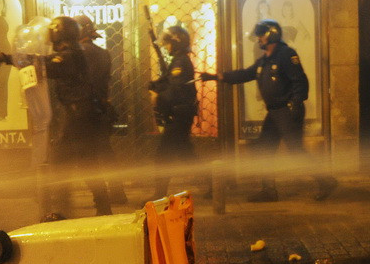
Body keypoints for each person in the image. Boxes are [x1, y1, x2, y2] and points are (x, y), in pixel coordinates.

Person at [0, 16, 112, 220]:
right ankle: (102, 207)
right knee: (87, 163)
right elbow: (43, 62)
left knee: (60, 163)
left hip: (78, 118)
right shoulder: (71, 53)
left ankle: (61, 211)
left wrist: (6, 58)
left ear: (58, 33)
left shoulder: (68, 56)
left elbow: (43, 64)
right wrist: (7, 59)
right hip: (82, 117)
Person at [200, 19, 337, 202]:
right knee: (264, 149)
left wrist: (296, 104)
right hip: (274, 113)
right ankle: (269, 191)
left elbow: (300, 81)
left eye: (261, 35)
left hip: (286, 111)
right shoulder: (264, 60)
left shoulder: (286, 54)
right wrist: (217, 76)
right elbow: (245, 74)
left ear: (272, 34)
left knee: (296, 150)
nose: (258, 39)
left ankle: (326, 180)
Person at [75, 15, 127, 205]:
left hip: (85, 111)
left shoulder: (80, 53)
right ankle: (117, 192)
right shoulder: (103, 53)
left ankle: (101, 196)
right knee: (105, 153)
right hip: (102, 109)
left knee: (85, 158)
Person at [144, 25, 199, 203]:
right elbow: (169, 82)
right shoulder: (178, 60)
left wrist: (158, 96)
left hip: (179, 114)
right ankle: (212, 182)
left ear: (176, 43)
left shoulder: (181, 62)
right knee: (185, 154)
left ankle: (159, 192)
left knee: (164, 155)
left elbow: (175, 90)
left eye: (168, 43)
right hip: (180, 113)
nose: (166, 47)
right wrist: (155, 86)